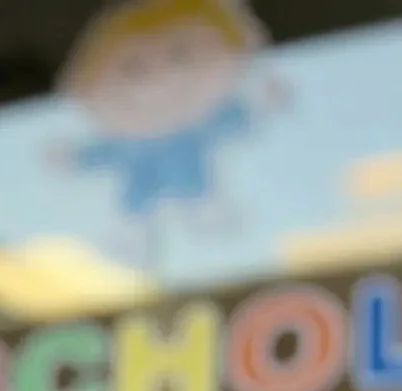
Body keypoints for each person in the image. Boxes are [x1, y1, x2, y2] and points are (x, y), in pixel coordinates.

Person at [52, 0, 282, 266]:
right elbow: (98, 154)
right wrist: (72, 158)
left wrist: (263, 102)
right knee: (135, 200)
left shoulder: (200, 125)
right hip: (139, 193)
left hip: (198, 188)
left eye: (180, 55)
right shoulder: (127, 143)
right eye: (133, 68)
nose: (160, 78)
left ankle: (205, 210)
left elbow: (237, 118)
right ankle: (133, 230)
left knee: (196, 194)